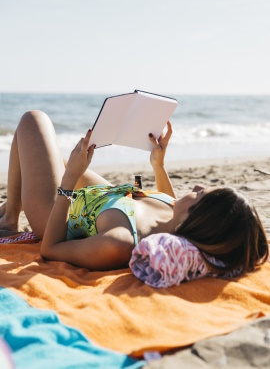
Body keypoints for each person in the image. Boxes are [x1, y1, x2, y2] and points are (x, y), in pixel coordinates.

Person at [0, 110, 268, 274]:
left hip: (55, 215)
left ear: (193, 221)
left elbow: (51, 249)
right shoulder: (175, 219)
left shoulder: (121, 241)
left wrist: (69, 179)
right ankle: (11, 207)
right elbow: (170, 201)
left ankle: (10, 219)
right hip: (106, 198)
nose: (197, 187)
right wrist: (158, 165)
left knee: (34, 120)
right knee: (48, 157)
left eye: (200, 196)